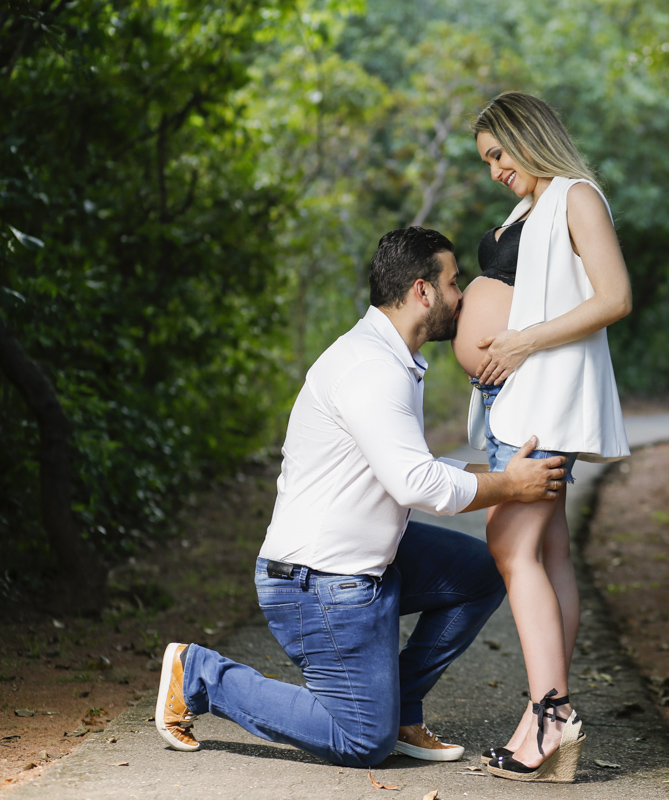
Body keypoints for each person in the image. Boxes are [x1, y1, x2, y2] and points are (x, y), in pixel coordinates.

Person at [153, 226, 567, 768]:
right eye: (453, 281)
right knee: (359, 741)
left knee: (480, 571)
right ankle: (202, 674)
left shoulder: (389, 358)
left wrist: (494, 471)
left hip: (368, 561)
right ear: (423, 291)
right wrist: (510, 484)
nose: (462, 296)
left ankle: (399, 709)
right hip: (316, 585)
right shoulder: (371, 368)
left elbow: (410, 465)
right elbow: (417, 485)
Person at [451, 91, 632, 783]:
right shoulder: (527, 206)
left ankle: (552, 712)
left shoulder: (576, 195)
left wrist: (522, 340)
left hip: (545, 399)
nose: (494, 169)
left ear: (530, 137)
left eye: (498, 153)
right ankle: (540, 717)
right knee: (548, 547)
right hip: (510, 399)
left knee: (508, 541)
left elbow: (613, 297)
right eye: (486, 160)